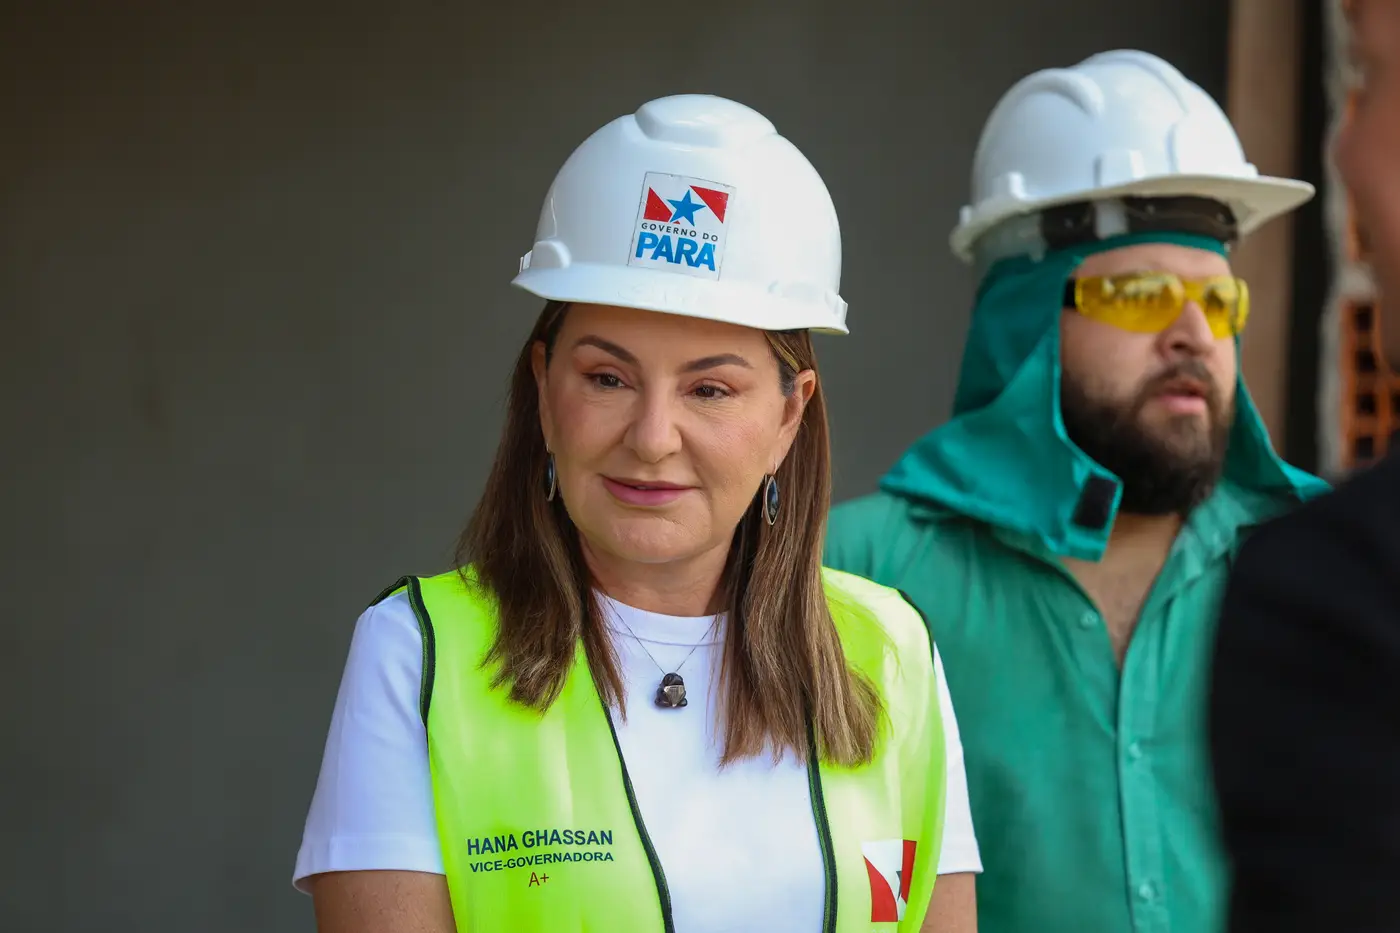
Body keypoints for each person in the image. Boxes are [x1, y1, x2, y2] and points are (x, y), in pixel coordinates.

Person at [291, 94, 981, 932]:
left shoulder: (892, 652)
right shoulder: (417, 654)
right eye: (608, 378)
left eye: (710, 389)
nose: (653, 438)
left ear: (789, 416)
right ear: (544, 390)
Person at [823, 50, 1327, 933]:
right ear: (1025, 317)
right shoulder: (854, 574)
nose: (1193, 333)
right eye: (1139, 294)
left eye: (1220, 302)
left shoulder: (1326, 567)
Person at [1208, 3, 1400, 931]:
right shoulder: (884, 566)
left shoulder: (1335, 589)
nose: (1345, 148)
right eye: (1134, 293)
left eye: (1375, 81)